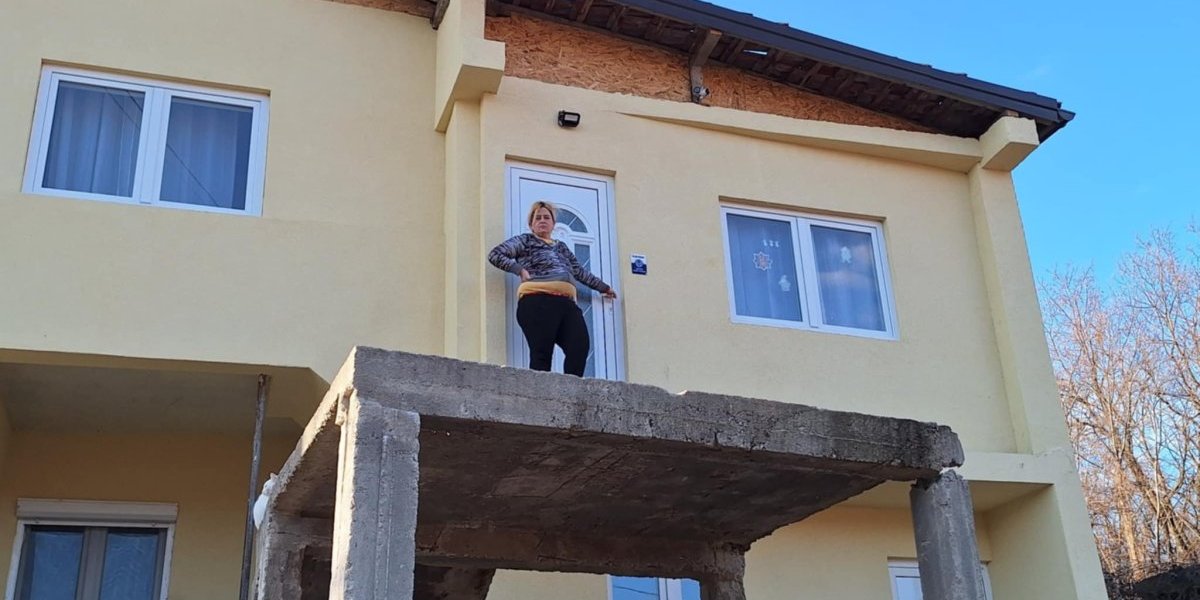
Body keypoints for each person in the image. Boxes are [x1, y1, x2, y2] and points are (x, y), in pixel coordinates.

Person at [488, 201, 617, 376]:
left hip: (566, 304)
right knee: (542, 353)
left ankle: (571, 388)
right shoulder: (525, 241)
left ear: (553, 224)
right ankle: (540, 392)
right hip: (537, 301)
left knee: (579, 346)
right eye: (538, 218)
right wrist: (519, 270)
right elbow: (495, 254)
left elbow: (579, 271)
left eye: (546, 217)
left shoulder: (561, 247)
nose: (542, 220)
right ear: (531, 224)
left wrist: (603, 287)